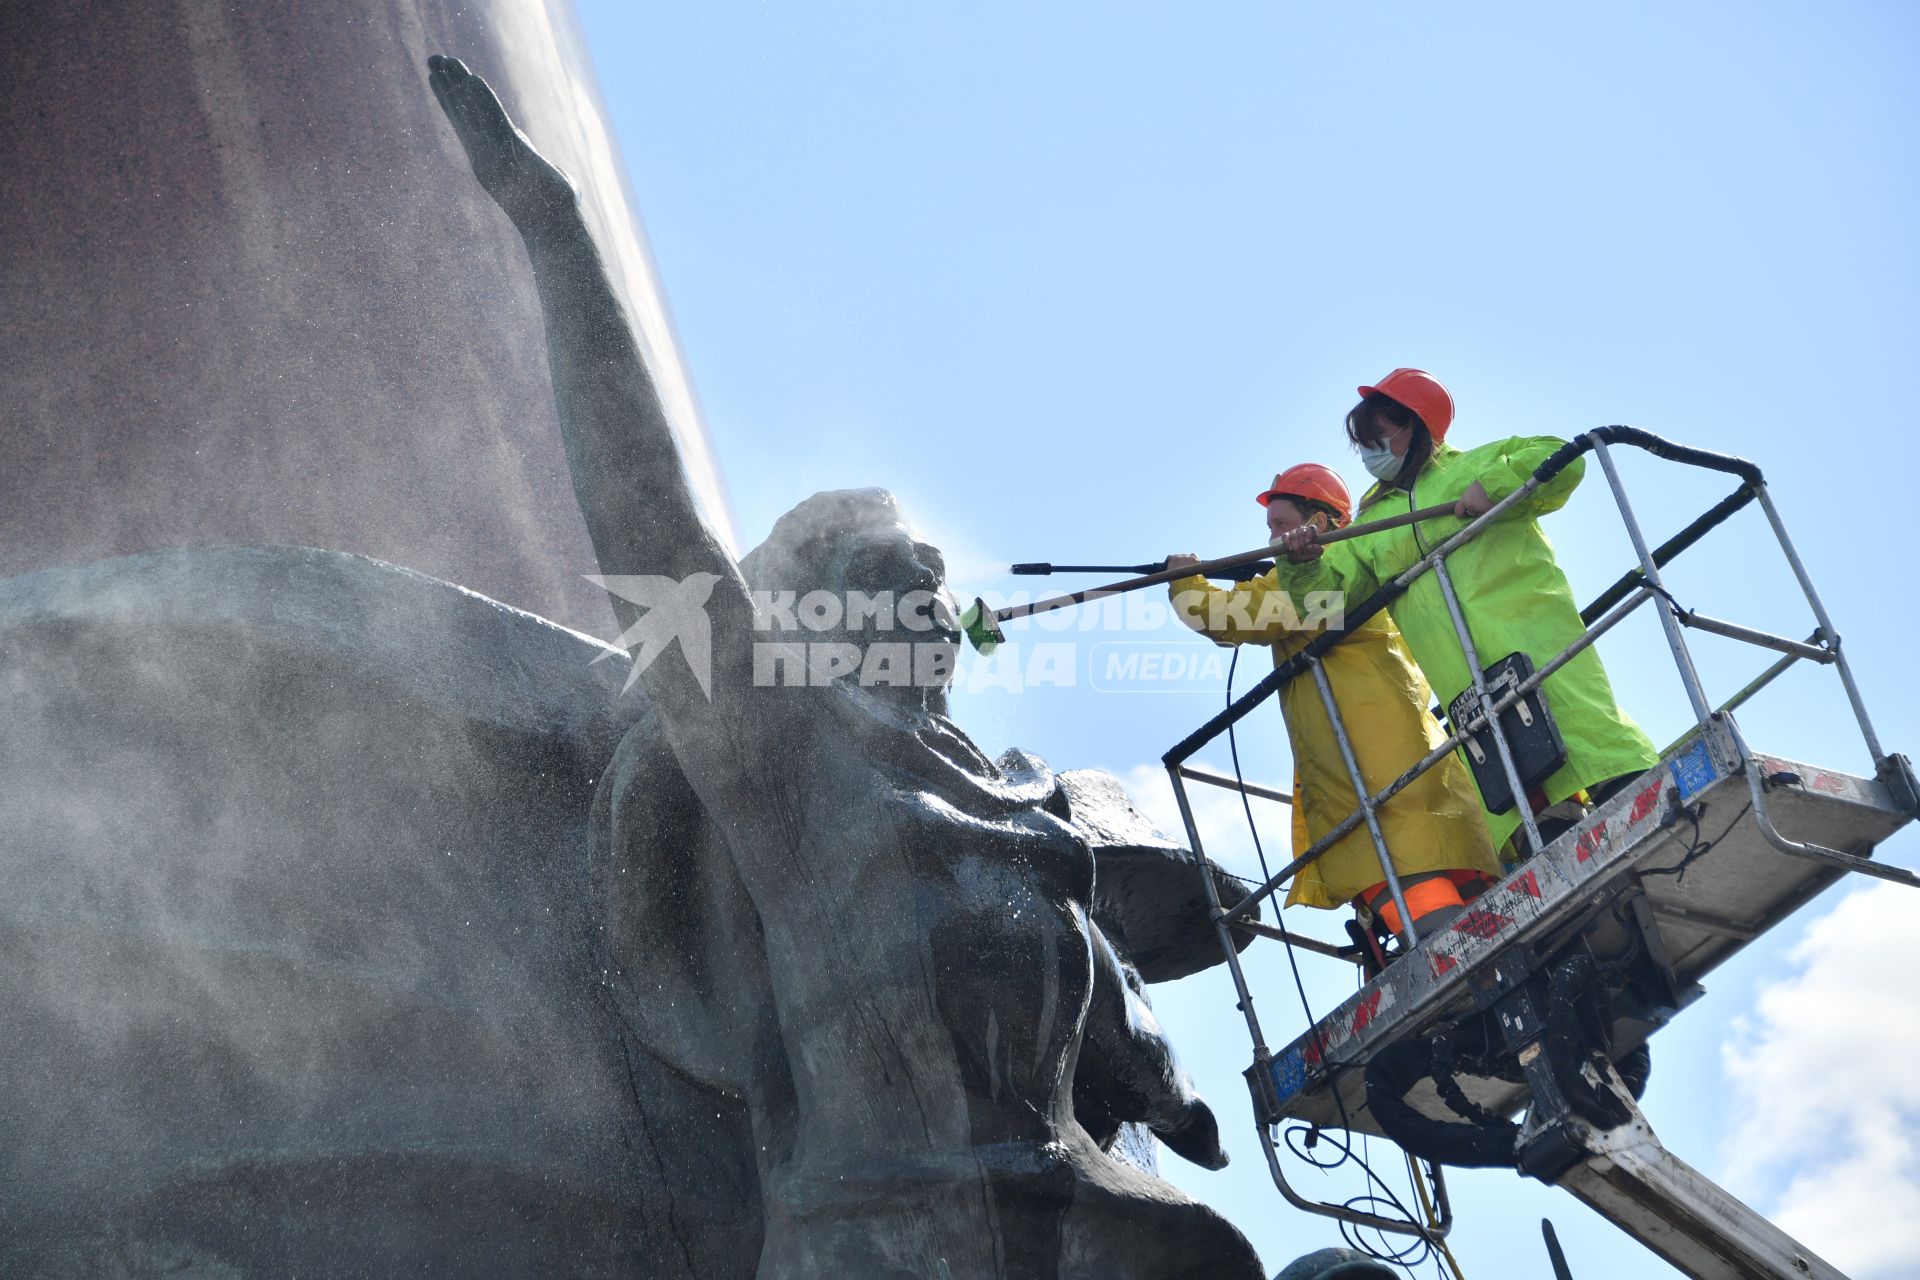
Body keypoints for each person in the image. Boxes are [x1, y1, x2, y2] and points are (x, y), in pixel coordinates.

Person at [426, 56, 1263, 1279]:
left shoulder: (1024, 802)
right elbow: (649, 518)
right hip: (883, 1237)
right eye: (889, 570)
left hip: (1082, 1224)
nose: (928, 585)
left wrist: (1161, 1074)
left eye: (931, 564)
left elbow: (1100, 1012)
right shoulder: (792, 763)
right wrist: (555, 231)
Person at [1272, 369, 1659, 853]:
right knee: (1513, 780)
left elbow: (1560, 456)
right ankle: (1549, 831)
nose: (1370, 452)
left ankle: (1631, 787)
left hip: (1530, 637)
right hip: (1461, 676)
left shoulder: (1474, 466)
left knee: (1581, 727)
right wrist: (1302, 563)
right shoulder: (1370, 525)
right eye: (1364, 443)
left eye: (1379, 437)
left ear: (1414, 425)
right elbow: (1325, 604)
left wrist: (1494, 484)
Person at [1168, 465, 1501, 941]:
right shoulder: (1350, 564)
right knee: (1427, 859)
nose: (1274, 536)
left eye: (1282, 525)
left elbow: (1230, 616)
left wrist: (1185, 583)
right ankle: (1463, 943)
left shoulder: (1323, 571)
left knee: (1390, 864)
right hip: (1394, 753)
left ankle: (1458, 954)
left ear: (1319, 523)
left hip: (1366, 765)